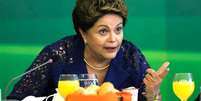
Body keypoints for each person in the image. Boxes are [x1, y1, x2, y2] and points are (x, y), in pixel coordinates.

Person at [7, 0, 169, 100]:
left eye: (118, 29)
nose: (114, 39)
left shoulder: (130, 55)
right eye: (103, 31)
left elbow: (152, 99)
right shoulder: (57, 55)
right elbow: (15, 99)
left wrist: (152, 94)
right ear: (83, 33)